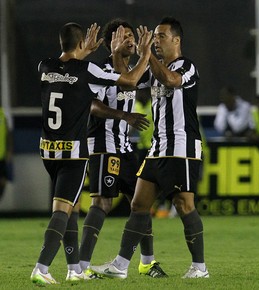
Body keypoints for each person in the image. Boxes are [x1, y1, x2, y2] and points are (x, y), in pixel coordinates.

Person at [30, 22, 153, 286]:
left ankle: (75, 268)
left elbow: (69, 71)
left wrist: (81, 52)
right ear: (83, 43)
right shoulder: (90, 69)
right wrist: (145, 53)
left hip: (48, 151)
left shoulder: (45, 67)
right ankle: (41, 268)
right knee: (63, 211)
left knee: (71, 207)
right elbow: (130, 82)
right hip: (74, 153)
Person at [91, 16, 209, 279]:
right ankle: (121, 265)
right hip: (157, 149)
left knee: (184, 205)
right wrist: (113, 56)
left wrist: (147, 55)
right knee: (138, 204)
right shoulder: (152, 69)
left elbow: (171, 80)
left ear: (176, 40)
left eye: (161, 36)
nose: (156, 41)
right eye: (154, 37)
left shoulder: (186, 66)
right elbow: (129, 81)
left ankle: (199, 267)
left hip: (182, 147)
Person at [78, 18, 167, 278]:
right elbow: (91, 105)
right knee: (102, 203)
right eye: (122, 35)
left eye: (131, 35)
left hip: (125, 147)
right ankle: (81, 268)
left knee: (141, 203)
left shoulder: (134, 70)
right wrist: (123, 116)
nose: (129, 39)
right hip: (103, 145)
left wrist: (147, 53)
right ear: (110, 43)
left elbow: (154, 76)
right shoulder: (100, 69)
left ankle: (147, 262)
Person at [0, 107, 13, 201]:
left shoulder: (2, 114)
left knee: (3, 181)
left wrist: (9, 151)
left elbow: (8, 134)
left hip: (2, 156)